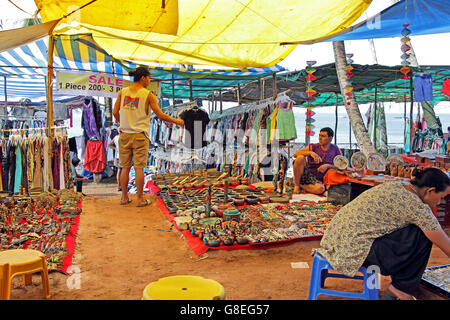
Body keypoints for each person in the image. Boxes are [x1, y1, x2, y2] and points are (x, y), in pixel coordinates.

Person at [317, 167, 450, 300]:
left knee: (417, 230)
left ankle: (400, 285)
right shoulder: (416, 206)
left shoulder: (398, 186)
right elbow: (445, 244)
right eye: (441, 198)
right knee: (423, 235)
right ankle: (400, 289)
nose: (439, 202)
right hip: (351, 251)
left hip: (335, 241)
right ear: (430, 191)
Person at [113, 66, 184, 207]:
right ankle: (139, 199)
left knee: (125, 167)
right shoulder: (148, 94)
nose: (149, 81)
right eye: (149, 78)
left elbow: (115, 112)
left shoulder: (123, 92)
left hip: (124, 134)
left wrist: (124, 122)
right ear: (143, 78)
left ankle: (124, 197)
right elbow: (160, 115)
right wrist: (177, 121)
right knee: (139, 168)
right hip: (140, 135)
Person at [292, 127, 341, 194]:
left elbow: (341, 166)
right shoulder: (313, 147)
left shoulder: (335, 149)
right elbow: (295, 154)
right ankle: (297, 185)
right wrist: (310, 152)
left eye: (323, 136)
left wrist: (328, 166)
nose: (320, 138)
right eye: (319, 135)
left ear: (330, 138)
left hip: (322, 180)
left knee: (320, 189)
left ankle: (300, 185)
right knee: (300, 157)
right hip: (308, 175)